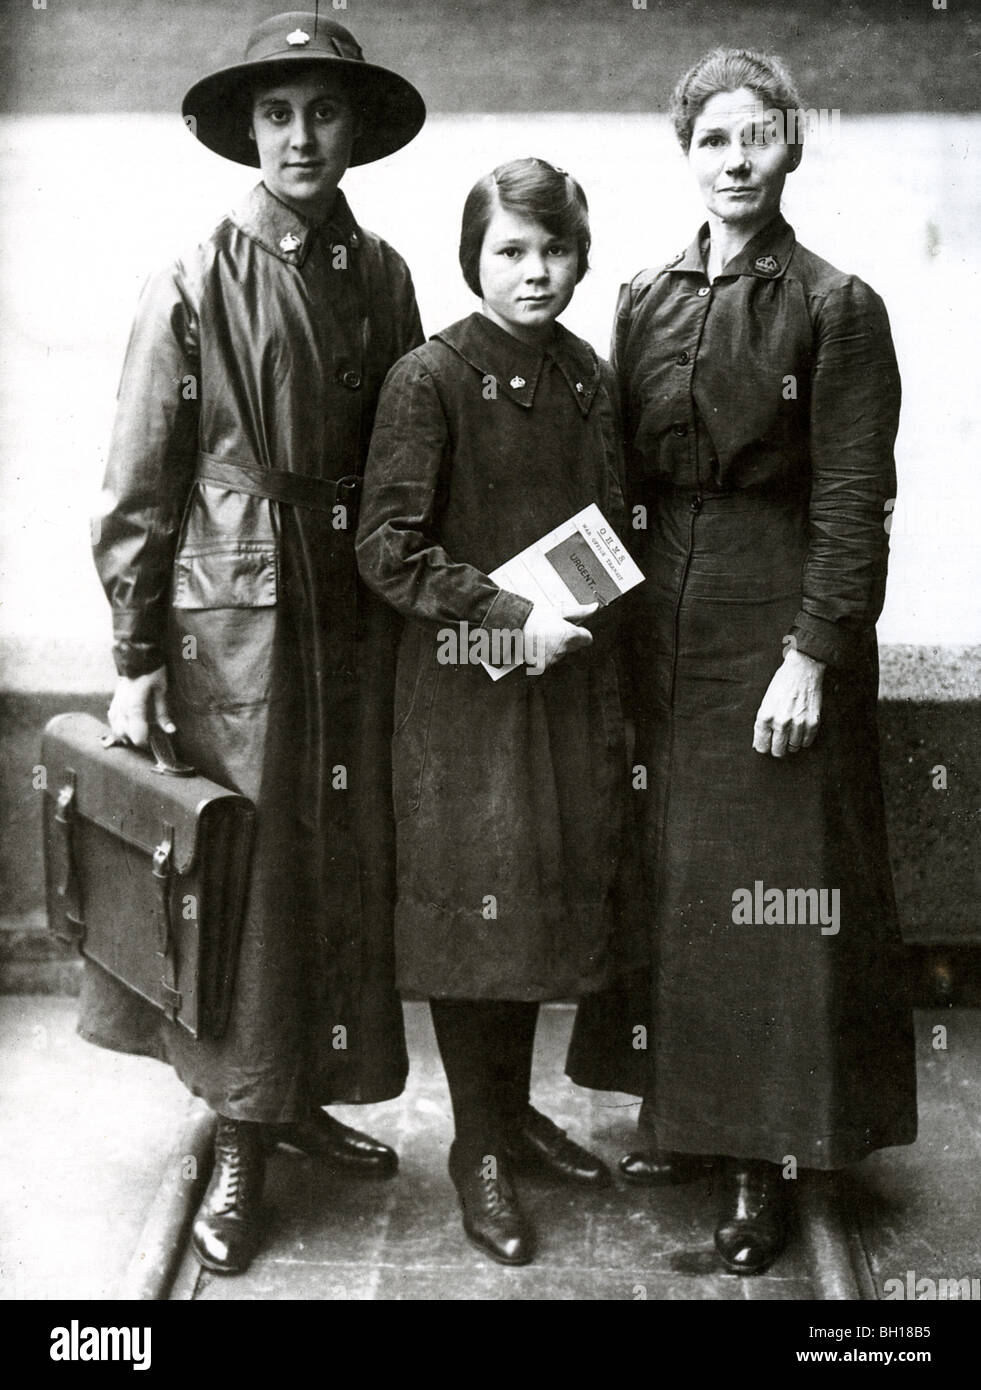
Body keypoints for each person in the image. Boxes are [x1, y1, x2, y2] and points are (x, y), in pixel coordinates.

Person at [567, 48, 918, 1275]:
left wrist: (813, 654)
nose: (733, 160)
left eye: (756, 136)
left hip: (774, 620)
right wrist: (550, 612)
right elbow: (611, 484)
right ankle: (687, 1115)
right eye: (712, 138)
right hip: (662, 621)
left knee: (771, 897)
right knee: (678, 877)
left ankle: (769, 1159)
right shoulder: (644, 295)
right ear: (686, 153)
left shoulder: (837, 303)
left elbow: (854, 497)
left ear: (791, 148)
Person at [87, 12, 426, 1274]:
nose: (300, 136)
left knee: (346, 852)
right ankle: (239, 1129)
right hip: (234, 619)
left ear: (354, 130)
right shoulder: (191, 279)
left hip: (356, 607)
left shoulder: (384, 274)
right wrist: (134, 656)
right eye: (277, 113)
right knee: (255, 871)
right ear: (248, 129)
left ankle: (312, 1087)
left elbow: (414, 448)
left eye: (323, 112)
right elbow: (136, 486)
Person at [356, 158, 640, 1266]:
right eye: (511, 250)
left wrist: (592, 603)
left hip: (563, 683)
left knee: (537, 899)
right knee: (477, 904)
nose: (534, 271)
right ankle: (474, 1146)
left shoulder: (587, 376)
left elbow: (612, 526)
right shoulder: (427, 379)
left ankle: (512, 1113)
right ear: (472, 257)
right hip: (465, 692)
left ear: (581, 256)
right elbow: (386, 546)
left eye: (553, 249)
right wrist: (509, 613)